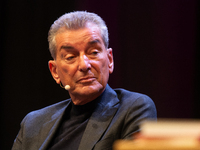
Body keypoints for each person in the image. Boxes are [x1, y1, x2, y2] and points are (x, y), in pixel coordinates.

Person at [12, 11, 157, 150]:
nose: (84, 65)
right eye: (70, 57)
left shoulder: (133, 109)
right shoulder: (33, 123)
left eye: (93, 52)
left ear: (110, 59)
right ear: (55, 71)